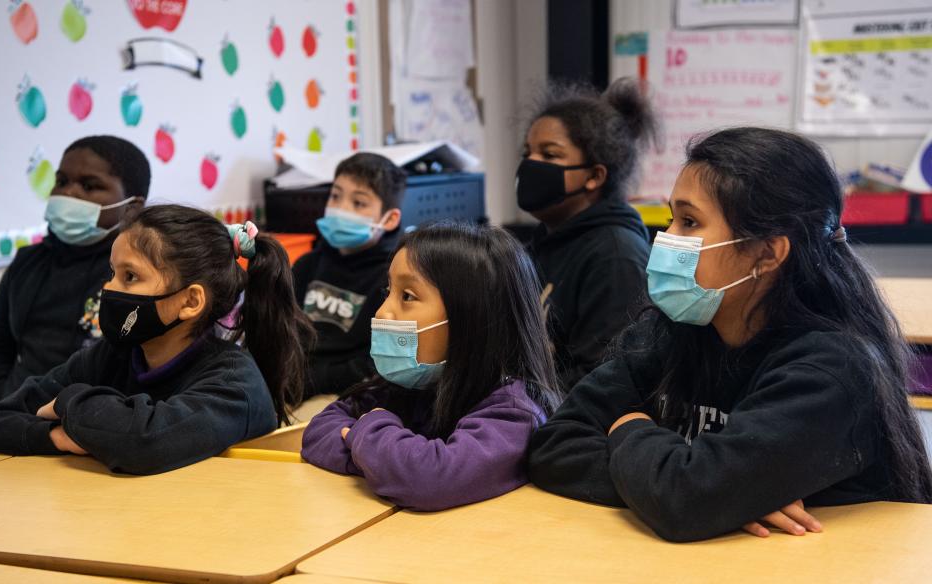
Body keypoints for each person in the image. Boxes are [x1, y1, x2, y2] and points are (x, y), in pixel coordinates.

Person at [527, 127, 932, 542]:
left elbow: (687, 500)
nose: (666, 240)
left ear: (768, 253)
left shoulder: (831, 370)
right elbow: (553, 445)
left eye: (690, 221)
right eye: (672, 219)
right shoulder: (671, 331)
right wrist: (713, 495)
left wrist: (628, 428)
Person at [0, 205, 315, 475]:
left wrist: (69, 401)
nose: (109, 288)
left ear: (190, 302)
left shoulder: (234, 382)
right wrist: (53, 436)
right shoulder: (111, 355)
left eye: (130, 276)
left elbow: (146, 442)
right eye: (112, 273)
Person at [302, 222, 563, 510]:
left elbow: (429, 479)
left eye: (407, 296)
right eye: (388, 291)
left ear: (471, 316)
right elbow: (318, 432)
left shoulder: (514, 412)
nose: (382, 311)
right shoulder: (407, 386)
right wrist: (386, 460)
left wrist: (371, 437)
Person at [0, 135, 149, 404]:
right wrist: (4, 401)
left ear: (131, 208)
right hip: (17, 422)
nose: (69, 193)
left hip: (98, 428)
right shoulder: (27, 262)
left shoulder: (140, 275)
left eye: (90, 186)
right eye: (61, 181)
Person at [518, 78, 659, 390]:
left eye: (550, 155)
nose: (530, 164)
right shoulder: (541, 244)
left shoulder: (615, 257)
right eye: (528, 152)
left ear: (595, 176)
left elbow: (604, 381)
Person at [292, 152, 406, 397]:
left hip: (349, 393)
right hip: (293, 381)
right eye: (335, 196)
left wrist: (311, 381)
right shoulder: (307, 266)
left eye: (359, 203)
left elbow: (379, 363)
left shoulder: (394, 279)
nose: (340, 209)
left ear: (390, 219)